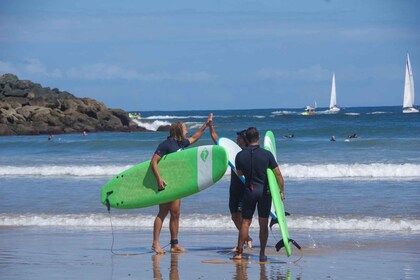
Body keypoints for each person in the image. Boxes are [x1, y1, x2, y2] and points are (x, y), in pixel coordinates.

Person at [150, 114, 212, 254]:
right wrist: (159, 179)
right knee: (163, 212)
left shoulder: (181, 143)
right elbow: (153, 162)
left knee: (176, 213)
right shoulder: (166, 144)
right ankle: (155, 243)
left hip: (177, 184)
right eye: (185, 129)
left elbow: (195, 137)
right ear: (178, 130)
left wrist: (206, 125)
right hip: (165, 184)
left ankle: (174, 244)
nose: (187, 131)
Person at [233, 127, 285, 262]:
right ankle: (262, 254)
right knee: (263, 223)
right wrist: (281, 190)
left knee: (245, 222)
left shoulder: (240, 155)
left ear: (247, 139)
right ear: (259, 138)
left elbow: (239, 174)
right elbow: (278, 174)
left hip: (249, 191)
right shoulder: (267, 154)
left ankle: (239, 253)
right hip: (264, 192)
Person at [208, 122, 253, 251]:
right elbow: (217, 140)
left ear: (245, 140)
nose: (236, 139)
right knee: (234, 216)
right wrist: (211, 126)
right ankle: (247, 238)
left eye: (239, 138)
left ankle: (241, 244)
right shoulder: (234, 152)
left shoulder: (249, 154)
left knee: (243, 217)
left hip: (244, 189)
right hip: (234, 188)